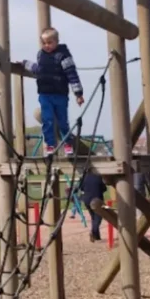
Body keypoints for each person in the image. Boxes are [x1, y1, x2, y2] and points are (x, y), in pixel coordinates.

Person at [22, 28, 84, 157]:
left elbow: (72, 75)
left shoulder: (63, 56)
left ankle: (67, 143)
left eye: (50, 42)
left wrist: (78, 94)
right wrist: (25, 63)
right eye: (44, 43)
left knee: (62, 121)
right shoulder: (41, 55)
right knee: (47, 120)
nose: (47, 46)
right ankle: (50, 145)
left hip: (60, 94)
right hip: (45, 94)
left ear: (56, 41)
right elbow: (39, 69)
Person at [81, 172, 107, 242]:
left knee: (93, 218)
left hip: (87, 200)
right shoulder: (98, 176)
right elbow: (104, 188)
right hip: (97, 199)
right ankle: (93, 232)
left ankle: (97, 236)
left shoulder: (85, 176)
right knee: (98, 218)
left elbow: (81, 187)